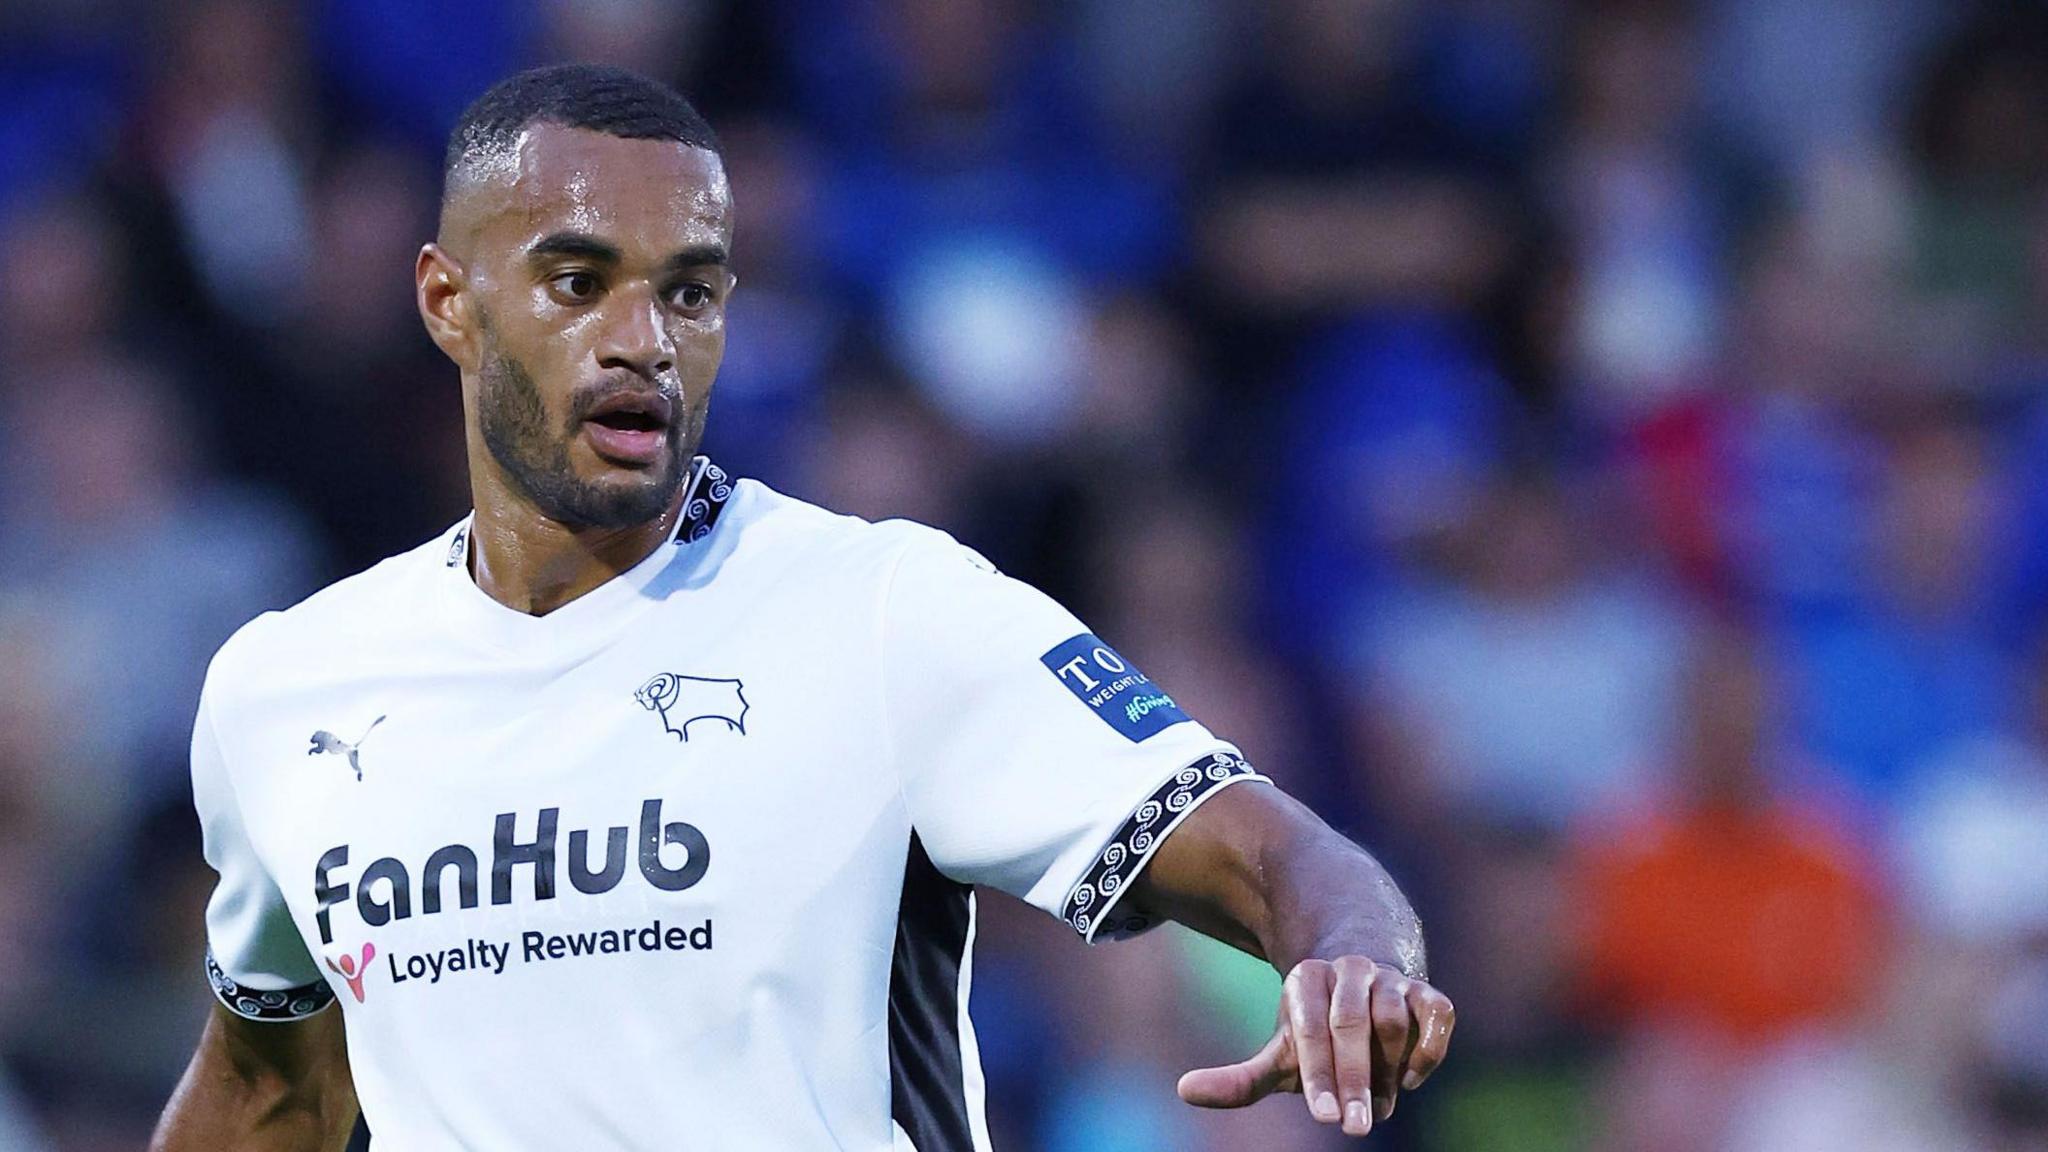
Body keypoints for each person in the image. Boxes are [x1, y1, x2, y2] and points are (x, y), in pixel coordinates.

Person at [148, 63, 1453, 1150]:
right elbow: (274, 1087)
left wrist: (1351, 952)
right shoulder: (291, 690)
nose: (643, 337)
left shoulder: (887, 612)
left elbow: (1279, 852)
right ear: (449, 302)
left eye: (692, 290)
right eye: (576, 279)